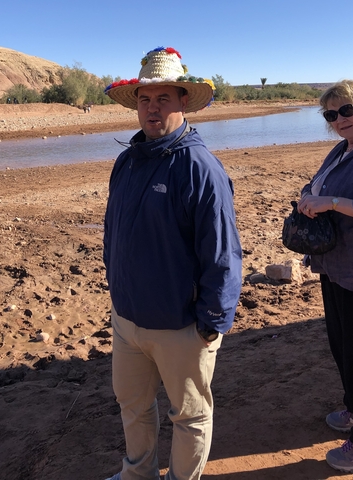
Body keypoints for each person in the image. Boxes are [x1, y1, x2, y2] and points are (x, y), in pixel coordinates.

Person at [102, 46, 242, 480]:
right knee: (133, 407)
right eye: (145, 99)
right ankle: (138, 474)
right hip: (127, 319)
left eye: (163, 98)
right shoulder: (127, 160)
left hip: (182, 324)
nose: (152, 108)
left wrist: (212, 321)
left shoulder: (200, 168)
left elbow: (222, 253)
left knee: (190, 416)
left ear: (183, 101)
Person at [298, 79, 353, 473]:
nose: (339, 120)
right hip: (336, 266)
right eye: (331, 114)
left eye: (347, 110)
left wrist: (330, 202)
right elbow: (321, 186)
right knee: (344, 345)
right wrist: (308, 197)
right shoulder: (342, 149)